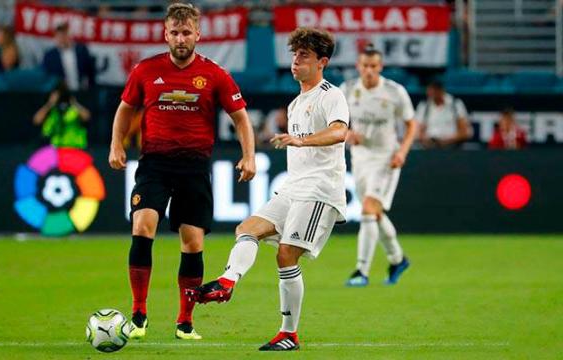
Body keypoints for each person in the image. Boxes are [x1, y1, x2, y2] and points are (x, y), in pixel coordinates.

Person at [188, 27, 349, 351]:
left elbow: (339, 132)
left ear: (322, 62)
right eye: (294, 54)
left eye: (304, 55)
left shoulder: (331, 94)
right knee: (247, 228)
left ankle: (289, 334)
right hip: (293, 188)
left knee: (286, 254)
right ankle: (227, 282)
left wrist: (300, 139)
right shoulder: (295, 104)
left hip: (320, 190)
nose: (295, 61)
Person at [108, 3, 256, 341]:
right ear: (165, 34)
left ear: (197, 35)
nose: (180, 38)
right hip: (155, 164)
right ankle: (139, 313)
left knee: (192, 243)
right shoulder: (146, 70)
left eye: (186, 32)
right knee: (143, 225)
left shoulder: (214, 73)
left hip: (194, 167)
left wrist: (249, 156)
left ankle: (185, 322)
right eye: (174, 32)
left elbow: (241, 116)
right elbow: (125, 109)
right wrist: (116, 145)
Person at [339, 44, 417, 287]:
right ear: (358, 66)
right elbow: (336, 123)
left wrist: (402, 152)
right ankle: (398, 259)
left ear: (380, 67)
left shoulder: (395, 92)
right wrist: (347, 133)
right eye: (365, 66)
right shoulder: (348, 89)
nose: (369, 71)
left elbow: (412, 124)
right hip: (360, 157)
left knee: (369, 208)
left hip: (386, 157)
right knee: (373, 212)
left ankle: (361, 271)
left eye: (374, 66)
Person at [33, 82, 91, 149]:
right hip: (57, 150)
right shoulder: (52, 112)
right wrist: (49, 104)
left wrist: (74, 103)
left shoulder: (74, 110)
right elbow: (36, 120)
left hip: (75, 149)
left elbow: (87, 117)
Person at [416, 80, 470, 148]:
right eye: (428, 91)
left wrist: (448, 140)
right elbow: (418, 130)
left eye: (433, 91)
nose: (429, 94)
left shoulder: (456, 104)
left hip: (452, 146)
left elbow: (465, 132)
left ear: (440, 91)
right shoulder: (423, 106)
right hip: (429, 147)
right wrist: (425, 139)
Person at [42, 23, 96, 91]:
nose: (62, 39)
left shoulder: (82, 50)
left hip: (82, 91)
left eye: (65, 36)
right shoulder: (50, 55)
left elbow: (90, 71)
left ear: (70, 35)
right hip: (60, 93)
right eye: (60, 37)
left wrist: (90, 88)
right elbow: (47, 76)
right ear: (55, 38)